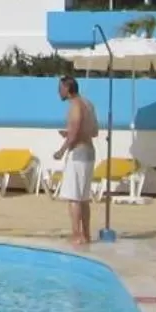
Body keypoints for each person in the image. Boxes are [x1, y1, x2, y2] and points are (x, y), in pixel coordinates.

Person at [55, 75, 99, 248]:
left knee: (74, 198)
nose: (58, 92)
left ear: (67, 88)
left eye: (60, 88)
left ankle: (76, 235)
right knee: (84, 198)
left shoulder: (75, 105)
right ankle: (86, 235)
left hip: (78, 153)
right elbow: (94, 131)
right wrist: (73, 135)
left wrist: (61, 150)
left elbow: (74, 130)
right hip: (89, 151)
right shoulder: (89, 104)